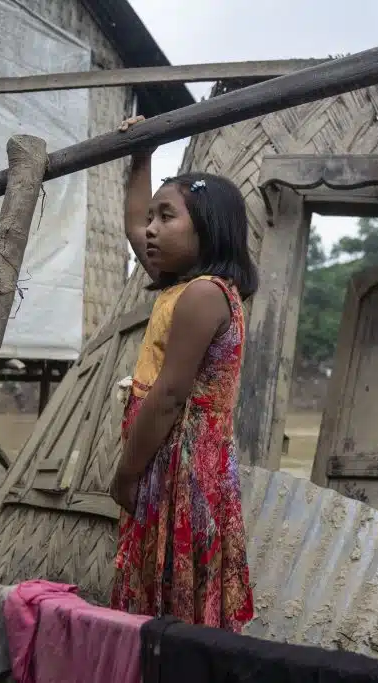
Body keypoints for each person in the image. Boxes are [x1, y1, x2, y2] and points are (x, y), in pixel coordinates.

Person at [108, 115, 257, 633]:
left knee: (173, 579)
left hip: (182, 457)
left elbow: (171, 396)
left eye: (165, 217)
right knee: (165, 579)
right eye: (153, 217)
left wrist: (126, 472)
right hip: (171, 451)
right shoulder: (181, 286)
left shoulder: (203, 294)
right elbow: (132, 226)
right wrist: (143, 155)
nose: (149, 228)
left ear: (207, 227)